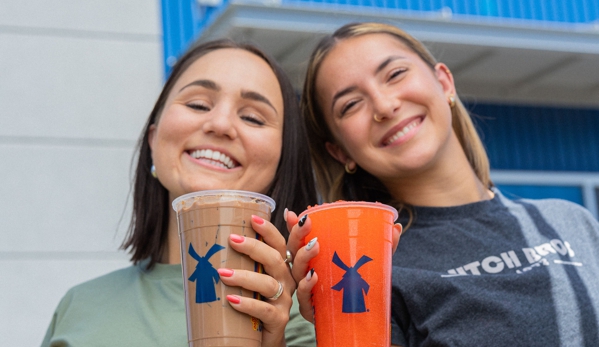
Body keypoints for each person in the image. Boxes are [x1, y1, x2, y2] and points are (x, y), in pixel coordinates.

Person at [287, 22, 599, 346]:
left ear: (444, 82)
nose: (384, 106)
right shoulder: (374, 272)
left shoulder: (571, 221)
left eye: (395, 74)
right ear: (340, 152)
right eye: (351, 105)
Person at [41, 39, 318, 347]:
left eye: (252, 117)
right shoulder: (78, 305)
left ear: (284, 159)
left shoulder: (311, 313)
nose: (220, 124)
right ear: (154, 138)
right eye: (197, 104)